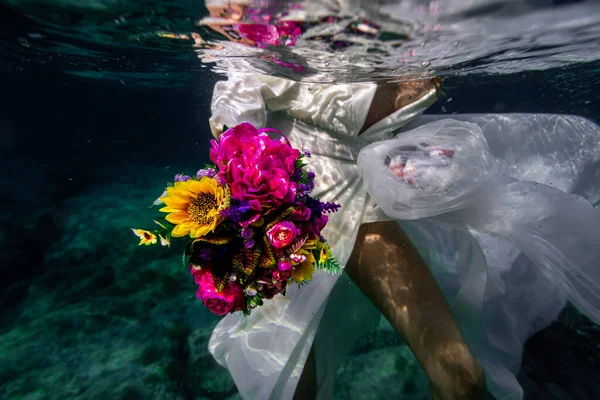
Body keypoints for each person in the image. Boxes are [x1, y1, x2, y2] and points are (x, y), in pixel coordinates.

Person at [206, 70, 600, 400]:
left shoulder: (414, 28)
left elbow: (387, 112)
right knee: (291, 387)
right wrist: (243, 203)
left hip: (367, 204)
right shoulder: (272, 31)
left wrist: (411, 156)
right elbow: (234, 107)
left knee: (462, 378)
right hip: (285, 212)